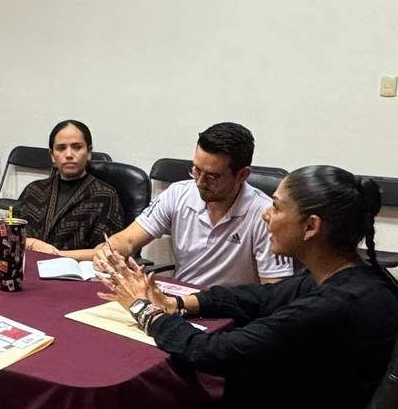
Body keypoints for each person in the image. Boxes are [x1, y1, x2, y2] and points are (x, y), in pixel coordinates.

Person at [96, 165, 398, 409]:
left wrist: (144, 310)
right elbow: (260, 297)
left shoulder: (333, 307)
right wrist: (177, 303)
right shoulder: (354, 279)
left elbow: (210, 351)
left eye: (277, 206)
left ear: (311, 226)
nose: (265, 214)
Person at [76, 122, 292, 287]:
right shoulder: (178, 194)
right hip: (177, 301)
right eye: (196, 169)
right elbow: (128, 238)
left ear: (242, 175)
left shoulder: (265, 215)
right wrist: (111, 251)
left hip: (232, 312)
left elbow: (275, 291)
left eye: (212, 176)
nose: (200, 182)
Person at [16, 120, 127, 255]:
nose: (68, 155)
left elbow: (108, 252)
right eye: (61, 148)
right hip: (27, 264)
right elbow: (12, 235)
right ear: (52, 155)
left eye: (77, 147)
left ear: (89, 152)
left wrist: (54, 254)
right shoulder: (34, 190)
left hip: (79, 268)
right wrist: (34, 244)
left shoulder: (104, 195)